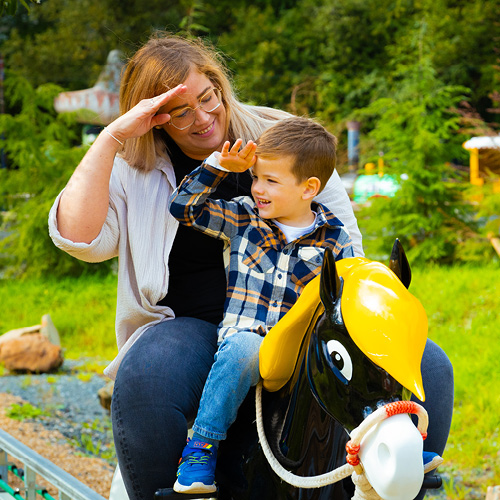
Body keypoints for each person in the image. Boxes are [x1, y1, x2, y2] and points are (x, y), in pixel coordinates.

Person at [47, 33, 453, 500]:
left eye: (208, 97)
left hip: (298, 321)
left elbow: (348, 254)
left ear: (219, 86)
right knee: (152, 372)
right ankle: (177, 479)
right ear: (154, 116)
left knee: (430, 362)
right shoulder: (133, 161)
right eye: (181, 112)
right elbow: (80, 239)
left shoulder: (285, 138)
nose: (203, 118)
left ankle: (406, 474)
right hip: (193, 323)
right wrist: (113, 137)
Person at [168, 117, 354, 494]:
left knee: (353, 355)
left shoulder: (336, 239)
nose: (257, 188)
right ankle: (202, 447)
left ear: (309, 188)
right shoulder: (243, 218)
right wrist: (219, 167)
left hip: (302, 350)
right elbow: (183, 208)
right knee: (243, 349)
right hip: (249, 338)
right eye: (255, 178)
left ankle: (387, 437)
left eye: (271, 181)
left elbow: (343, 300)